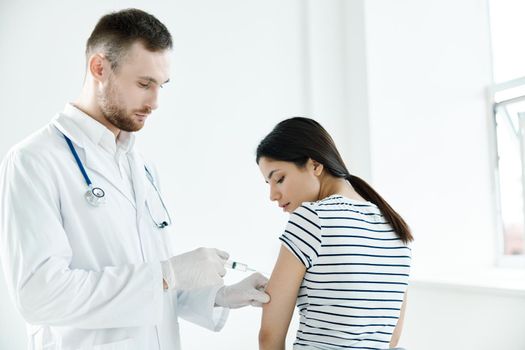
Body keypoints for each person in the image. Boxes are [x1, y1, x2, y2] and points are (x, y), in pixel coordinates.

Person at [0, 8, 269, 350]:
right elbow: (40, 296)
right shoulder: (34, 161)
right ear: (99, 68)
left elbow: (148, 289)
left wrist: (219, 296)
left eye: (161, 85)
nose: (155, 102)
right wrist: (167, 273)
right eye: (144, 84)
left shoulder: (138, 165)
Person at [256, 117, 412, 350]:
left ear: (315, 165)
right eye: (268, 183)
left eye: (279, 179)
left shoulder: (311, 219)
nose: (273, 195)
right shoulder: (394, 225)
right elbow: (392, 339)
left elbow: (269, 336)